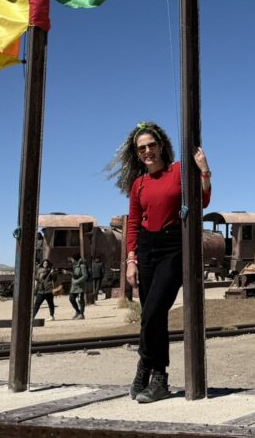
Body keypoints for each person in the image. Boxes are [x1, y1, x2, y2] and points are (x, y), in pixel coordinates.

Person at [107, 121, 211, 404]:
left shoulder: (179, 171)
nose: (147, 151)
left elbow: (203, 200)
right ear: (137, 154)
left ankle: (147, 368)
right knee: (151, 316)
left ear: (162, 145)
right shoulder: (138, 184)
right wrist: (131, 260)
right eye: (142, 148)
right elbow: (132, 225)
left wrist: (204, 170)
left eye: (151, 145)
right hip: (146, 248)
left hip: (173, 245)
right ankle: (156, 375)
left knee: (153, 311)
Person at [68, 254, 88, 319]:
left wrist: (77, 281)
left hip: (80, 286)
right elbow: (75, 275)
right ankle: (78, 312)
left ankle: (81, 314)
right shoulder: (75, 266)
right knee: (71, 299)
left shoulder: (82, 266)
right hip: (74, 286)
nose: (71, 260)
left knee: (80, 300)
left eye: (72, 259)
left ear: (75, 259)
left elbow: (85, 276)